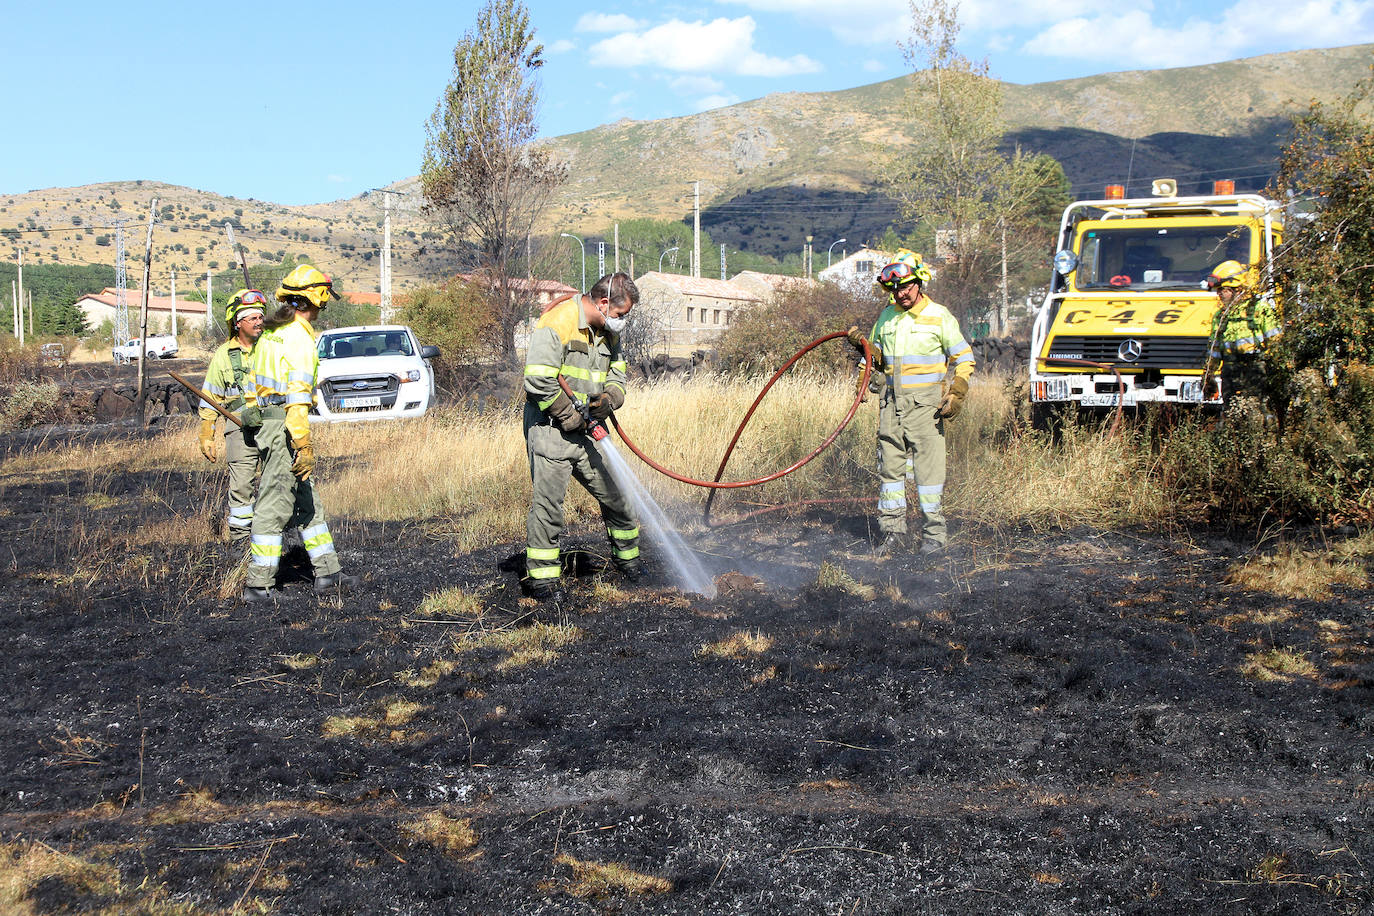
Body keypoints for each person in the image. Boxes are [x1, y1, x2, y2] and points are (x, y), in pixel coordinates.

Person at [241, 264, 359, 602]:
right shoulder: (299, 338)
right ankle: (259, 585)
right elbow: (296, 398)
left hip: (270, 422)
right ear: (317, 298)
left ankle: (327, 571)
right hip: (285, 427)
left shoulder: (272, 333)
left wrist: (257, 418)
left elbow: (251, 384)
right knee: (275, 504)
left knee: (308, 502)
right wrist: (303, 444)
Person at [522, 272, 642, 601]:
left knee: (617, 492)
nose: (621, 321)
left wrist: (609, 399)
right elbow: (537, 380)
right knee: (548, 506)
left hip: (589, 427)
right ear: (603, 302)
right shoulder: (558, 321)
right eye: (620, 314)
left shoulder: (608, 333)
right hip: (551, 429)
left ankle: (628, 562)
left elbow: (618, 373)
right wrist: (569, 415)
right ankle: (543, 581)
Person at [847, 249, 975, 556]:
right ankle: (893, 534)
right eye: (895, 288)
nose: (901, 293)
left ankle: (934, 536)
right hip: (890, 406)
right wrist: (863, 364)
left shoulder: (939, 316)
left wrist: (957, 392)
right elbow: (876, 359)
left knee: (928, 475)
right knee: (890, 472)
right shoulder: (887, 317)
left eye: (906, 286)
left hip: (926, 408)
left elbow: (964, 358)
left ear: (919, 283)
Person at [197, 289, 267, 541]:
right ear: (237, 323)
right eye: (252, 318)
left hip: (272, 425)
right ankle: (240, 540)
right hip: (239, 429)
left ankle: (274, 537)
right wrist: (207, 434)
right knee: (240, 488)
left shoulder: (271, 348)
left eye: (261, 317)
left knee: (277, 484)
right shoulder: (223, 355)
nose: (259, 322)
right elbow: (210, 396)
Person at [1203, 259, 1279, 405]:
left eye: (1223, 290)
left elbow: (1276, 344)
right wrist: (1208, 375)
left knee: (1257, 409)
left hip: (1255, 371)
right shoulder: (1220, 316)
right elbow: (1214, 351)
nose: (1219, 294)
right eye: (1218, 290)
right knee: (1231, 410)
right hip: (1230, 373)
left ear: (1237, 289)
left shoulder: (1260, 310)